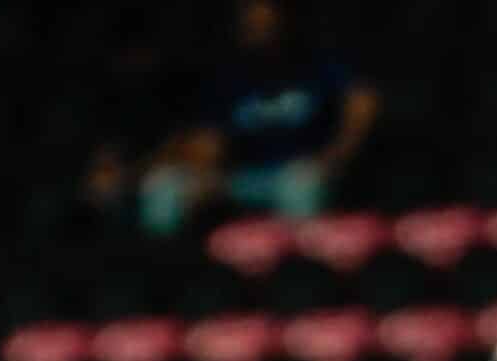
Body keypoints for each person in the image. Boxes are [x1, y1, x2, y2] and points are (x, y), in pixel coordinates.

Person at [142, 0, 379, 228]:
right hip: (239, 177)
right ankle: (163, 263)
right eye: (251, 25)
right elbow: (207, 140)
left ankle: (302, 265)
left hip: (299, 173)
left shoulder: (315, 63)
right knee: (165, 184)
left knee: (299, 183)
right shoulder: (228, 76)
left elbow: (361, 101)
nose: (259, 31)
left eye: (266, 24)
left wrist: (334, 159)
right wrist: (204, 175)